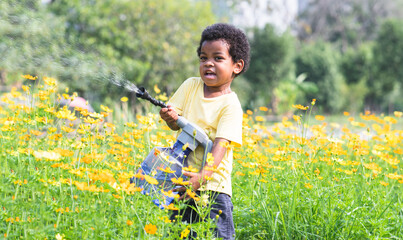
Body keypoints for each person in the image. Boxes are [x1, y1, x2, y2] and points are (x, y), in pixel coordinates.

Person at [159, 23, 250, 239]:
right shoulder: (191, 85)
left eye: (218, 58)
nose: (208, 63)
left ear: (236, 66)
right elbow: (175, 122)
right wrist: (169, 118)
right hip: (181, 184)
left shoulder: (230, 105)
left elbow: (221, 145)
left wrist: (202, 177)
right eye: (203, 58)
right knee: (178, 234)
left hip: (213, 189)